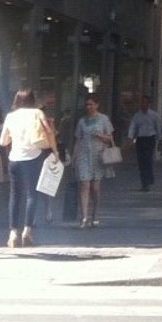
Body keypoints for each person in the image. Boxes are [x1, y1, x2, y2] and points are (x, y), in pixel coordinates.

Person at [0, 87, 57, 248]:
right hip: (33, 157)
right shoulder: (37, 113)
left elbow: (3, 141)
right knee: (32, 194)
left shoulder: (11, 116)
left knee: (14, 195)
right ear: (33, 99)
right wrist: (55, 151)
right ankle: (27, 231)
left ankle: (13, 233)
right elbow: (49, 132)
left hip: (15, 158)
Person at [71, 95, 115, 227]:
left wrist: (99, 135)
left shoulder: (103, 119)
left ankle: (95, 213)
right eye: (87, 104)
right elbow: (78, 140)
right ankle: (84, 216)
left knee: (95, 188)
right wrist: (73, 158)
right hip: (83, 155)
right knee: (84, 185)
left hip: (98, 156)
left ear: (97, 105)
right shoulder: (81, 121)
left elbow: (110, 138)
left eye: (91, 104)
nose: (88, 107)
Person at [127, 95, 160, 191]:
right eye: (142, 103)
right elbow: (133, 127)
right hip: (140, 139)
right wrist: (130, 138)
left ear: (149, 104)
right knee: (141, 162)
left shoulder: (154, 115)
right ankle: (144, 182)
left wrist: (159, 139)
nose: (143, 105)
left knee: (148, 160)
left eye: (146, 102)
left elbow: (158, 128)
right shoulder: (137, 116)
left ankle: (148, 181)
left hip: (150, 139)